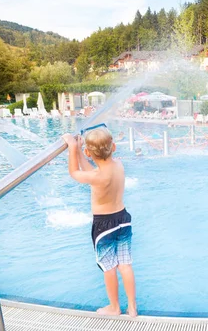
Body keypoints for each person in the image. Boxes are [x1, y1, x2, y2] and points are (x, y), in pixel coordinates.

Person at [61, 127, 137, 317]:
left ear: (89, 152)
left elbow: (75, 172)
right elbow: (91, 171)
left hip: (104, 226)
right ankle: (132, 308)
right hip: (123, 219)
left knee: (109, 268)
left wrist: (72, 147)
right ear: (114, 147)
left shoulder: (96, 176)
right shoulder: (118, 165)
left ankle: (114, 307)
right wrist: (80, 151)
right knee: (125, 265)